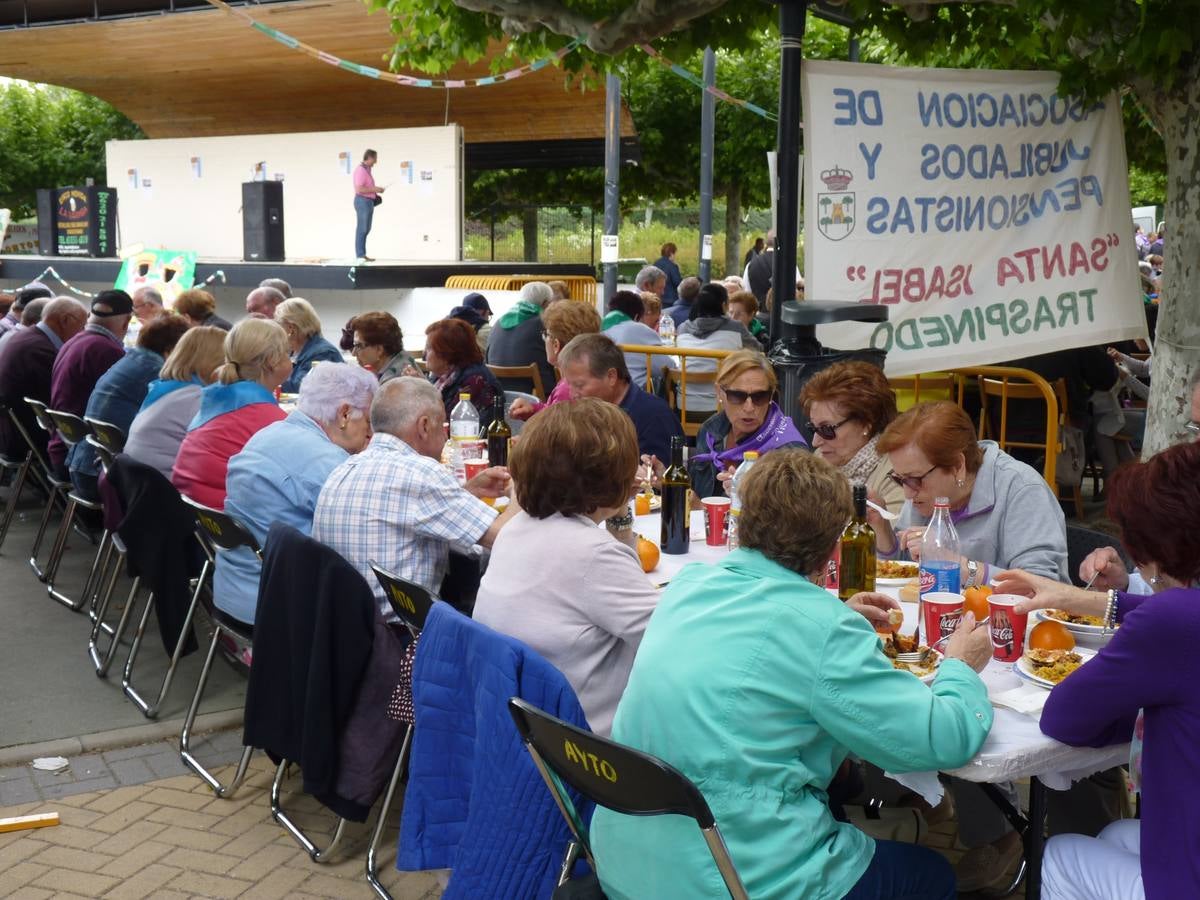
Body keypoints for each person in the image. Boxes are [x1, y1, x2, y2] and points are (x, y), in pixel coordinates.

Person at [591, 449, 993, 900]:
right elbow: (938, 739)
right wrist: (961, 665)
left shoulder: (691, 586)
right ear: (832, 543)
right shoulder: (820, 628)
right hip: (731, 876)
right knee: (932, 875)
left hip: (630, 857)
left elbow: (762, 639)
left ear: (745, 522)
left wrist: (832, 614)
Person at [874, 400, 1069, 891]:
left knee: (955, 713)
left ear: (959, 465)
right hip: (942, 638)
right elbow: (909, 560)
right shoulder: (925, 492)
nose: (909, 493)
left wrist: (971, 571)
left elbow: (1045, 586)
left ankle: (1000, 834)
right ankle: (907, 794)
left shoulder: (1019, 489)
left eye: (915, 480)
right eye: (900, 482)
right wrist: (886, 542)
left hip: (1014, 652)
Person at [994, 439, 1200, 900]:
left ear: (1159, 548)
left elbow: (1065, 718)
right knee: (1112, 837)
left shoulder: (1171, 620)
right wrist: (1089, 599)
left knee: (1060, 856)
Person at [474, 399, 658, 736]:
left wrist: (619, 509)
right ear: (608, 472)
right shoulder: (592, 555)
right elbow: (668, 637)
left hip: (515, 729)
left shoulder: (518, 528)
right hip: (585, 749)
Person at [312, 376, 516, 618]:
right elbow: (506, 538)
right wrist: (519, 486)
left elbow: (408, 510)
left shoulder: (344, 468)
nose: (446, 437)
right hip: (401, 638)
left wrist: (464, 493)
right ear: (424, 426)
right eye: (443, 426)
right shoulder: (421, 473)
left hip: (344, 631)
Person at [215, 364, 377, 625]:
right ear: (345, 414)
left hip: (232, 593)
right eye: (369, 421)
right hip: (279, 613)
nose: (371, 433)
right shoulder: (330, 463)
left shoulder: (266, 435)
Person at [171, 318, 290, 508]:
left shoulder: (215, 398)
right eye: (287, 353)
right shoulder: (269, 419)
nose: (290, 358)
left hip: (194, 515)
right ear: (271, 362)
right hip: (227, 522)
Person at [69, 315, 190, 501]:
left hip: (84, 469)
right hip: (106, 480)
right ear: (171, 350)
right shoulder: (157, 374)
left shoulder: (130, 360)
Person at [689, 350, 806, 499]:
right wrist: (667, 480)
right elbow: (696, 493)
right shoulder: (710, 431)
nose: (749, 408)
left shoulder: (789, 451)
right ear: (719, 392)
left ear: (771, 395)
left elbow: (796, 515)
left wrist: (749, 498)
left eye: (759, 396)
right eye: (737, 396)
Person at [799, 361, 907, 515]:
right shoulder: (819, 461)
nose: (815, 442)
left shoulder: (899, 473)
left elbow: (891, 535)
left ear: (865, 424)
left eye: (826, 429)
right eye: (813, 429)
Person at [556, 333, 682, 463]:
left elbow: (660, 477)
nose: (572, 394)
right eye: (568, 385)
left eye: (579, 385)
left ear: (611, 376)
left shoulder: (653, 417)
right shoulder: (586, 412)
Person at [48, 290, 134, 478]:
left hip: (60, 447)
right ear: (127, 322)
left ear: (89, 315)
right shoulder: (107, 351)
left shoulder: (74, 341)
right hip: (80, 461)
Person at [124, 326, 228, 480]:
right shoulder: (195, 397)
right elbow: (223, 450)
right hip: (164, 491)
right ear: (215, 362)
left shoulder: (165, 387)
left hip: (135, 484)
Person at [0, 297, 87, 461]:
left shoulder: (26, 337)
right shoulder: (40, 350)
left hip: (12, 432)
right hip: (25, 438)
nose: (83, 332)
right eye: (82, 325)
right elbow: (57, 402)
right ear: (65, 320)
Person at [508, 299, 601, 421]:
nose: (544, 339)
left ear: (556, 345)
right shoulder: (591, 378)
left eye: (545, 335)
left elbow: (554, 432)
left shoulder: (568, 389)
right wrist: (533, 409)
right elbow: (553, 412)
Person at [674, 282, 759, 414]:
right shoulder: (736, 328)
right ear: (724, 306)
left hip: (684, 407)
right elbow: (758, 351)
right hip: (722, 408)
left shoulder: (682, 329)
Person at [422, 318, 504, 429]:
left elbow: (447, 426)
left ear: (446, 353)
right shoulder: (443, 377)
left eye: (429, 348)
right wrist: (419, 387)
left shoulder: (475, 381)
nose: (424, 353)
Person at [486, 280, 557, 395]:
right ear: (545, 303)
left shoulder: (497, 323)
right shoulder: (544, 324)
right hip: (536, 393)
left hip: (498, 391)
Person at [602, 289, 668, 392]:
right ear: (637, 316)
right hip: (632, 393)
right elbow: (665, 367)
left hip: (603, 393)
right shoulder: (640, 330)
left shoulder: (599, 327)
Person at [274, 297, 343, 393]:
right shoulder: (294, 352)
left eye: (279, 325)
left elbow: (300, 388)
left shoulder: (322, 353)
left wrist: (267, 378)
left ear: (291, 328)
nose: (277, 331)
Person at [347, 311, 417, 382]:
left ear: (379, 350)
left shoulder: (391, 383)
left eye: (359, 346)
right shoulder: (402, 357)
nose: (353, 353)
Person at [353, 148, 383, 260]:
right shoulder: (361, 170)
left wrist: (376, 192)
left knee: (366, 229)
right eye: (375, 158)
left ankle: (362, 254)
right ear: (369, 157)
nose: (376, 161)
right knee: (362, 228)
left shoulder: (367, 170)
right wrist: (375, 189)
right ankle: (360, 255)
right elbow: (359, 189)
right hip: (362, 201)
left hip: (368, 202)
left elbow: (366, 187)